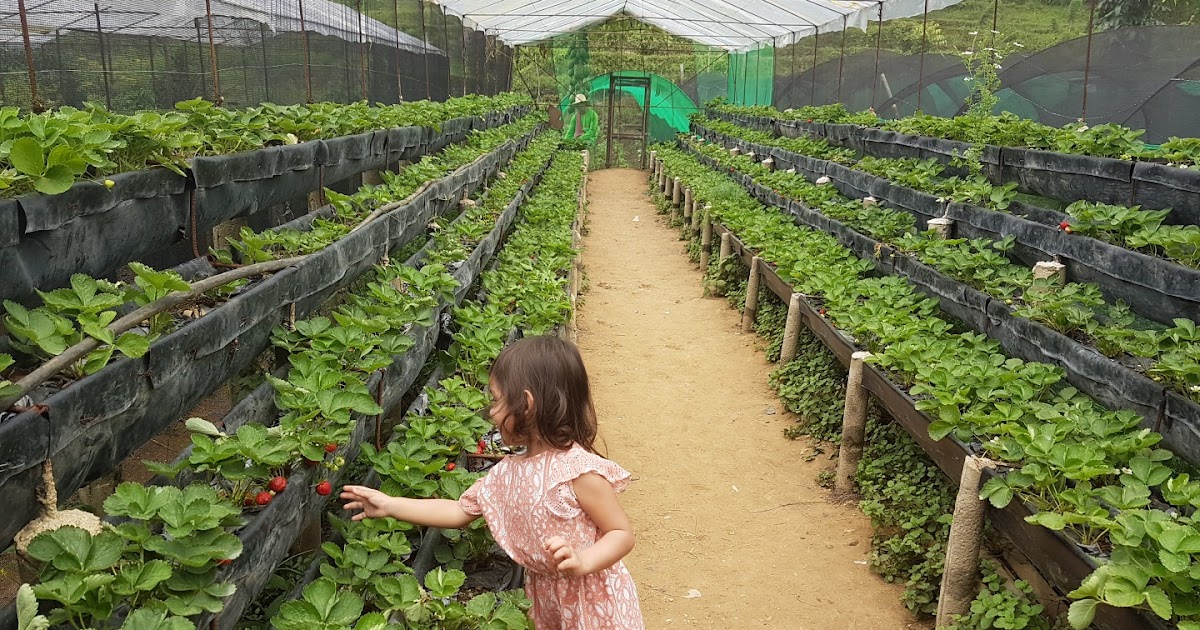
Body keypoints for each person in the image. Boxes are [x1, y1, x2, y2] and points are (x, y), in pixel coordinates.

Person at [341, 336, 644, 629]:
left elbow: (620, 533)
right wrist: (391, 504)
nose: (492, 412)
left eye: (497, 401)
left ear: (527, 404)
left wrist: (583, 561)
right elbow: (460, 511)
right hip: (547, 599)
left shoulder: (577, 472)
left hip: (593, 601)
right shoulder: (507, 472)